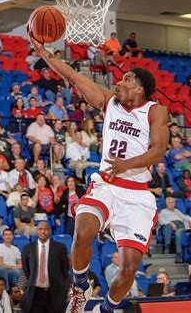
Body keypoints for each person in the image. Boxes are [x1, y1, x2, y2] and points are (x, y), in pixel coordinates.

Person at [30, 34, 169, 313]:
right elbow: (73, 76)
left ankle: (106, 309)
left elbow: (159, 150)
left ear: (140, 89)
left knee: (129, 268)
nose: (119, 82)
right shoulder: (110, 102)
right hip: (106, 184)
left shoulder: (155, 111)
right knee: (82, 232)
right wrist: (44, 53)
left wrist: (127, 165)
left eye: (127, 79)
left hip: (137, 195)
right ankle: (80, 287)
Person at [21, 221, 69, 312]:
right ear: (37, 231)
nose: (43, 231)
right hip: (35, 294)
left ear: (50, 231)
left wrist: (64, 290)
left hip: (55, 294)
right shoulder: (28, 248)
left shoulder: (60, 248)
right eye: (40, 229)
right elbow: (27, 270)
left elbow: (65, 270)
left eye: (46, 229)